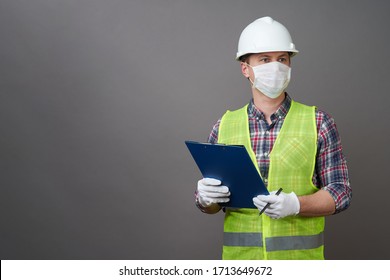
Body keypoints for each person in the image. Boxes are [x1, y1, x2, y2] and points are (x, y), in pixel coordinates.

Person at [194, 16, 352, 260]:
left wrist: (297, 204)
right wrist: (206, 199)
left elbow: (340, 193)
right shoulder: (223, 126)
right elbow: (213, 205)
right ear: (245, 68)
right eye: (265, 59)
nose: (276, 67)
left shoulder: (319, 122)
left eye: (282, 59)